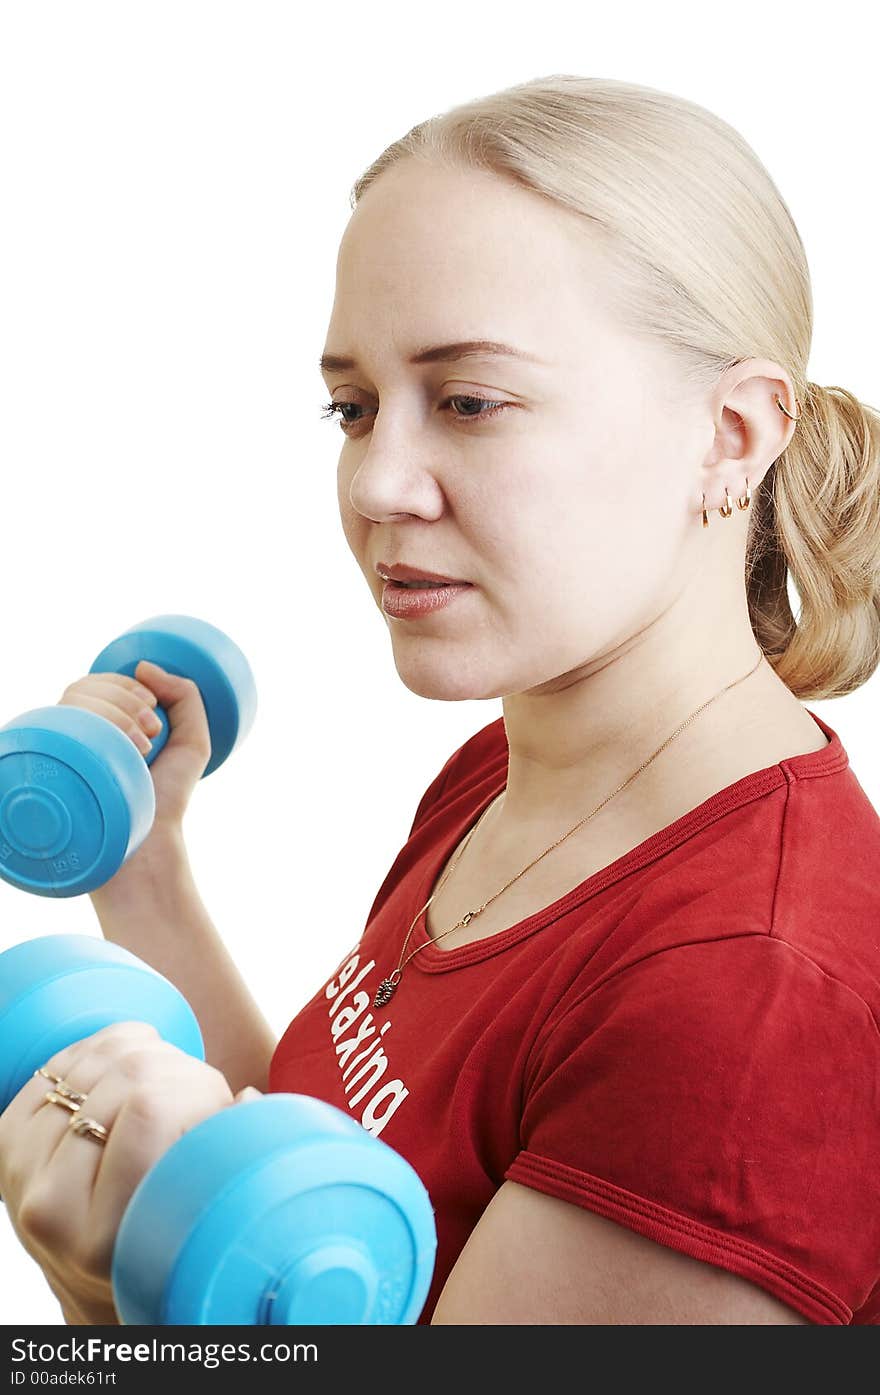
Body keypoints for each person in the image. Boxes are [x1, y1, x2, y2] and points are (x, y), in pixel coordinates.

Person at [2, 73, 879, 1327]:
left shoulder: (753, 996)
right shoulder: (510, 768)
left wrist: (114, 1309)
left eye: (468, 401)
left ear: (732, 436)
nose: (376, 484)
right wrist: (144, 871)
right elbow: (312, 1189)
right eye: (352, 407)